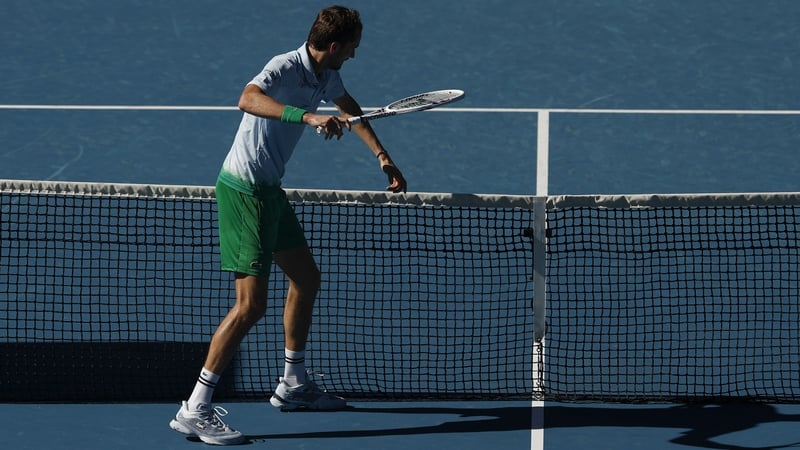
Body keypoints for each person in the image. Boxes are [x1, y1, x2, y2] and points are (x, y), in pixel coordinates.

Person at [168, 5, 407, 445]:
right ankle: (195, 408)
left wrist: (382, 156)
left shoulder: (324, 73)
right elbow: (248, 99)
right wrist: (308, 116)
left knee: (306, 278)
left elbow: (348, 106)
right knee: (250, 306)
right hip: (243, 190)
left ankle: (292, 384)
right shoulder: (284, 66)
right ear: (334, 46)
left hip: (269, 190)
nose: (354, 55)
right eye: (352, 47)